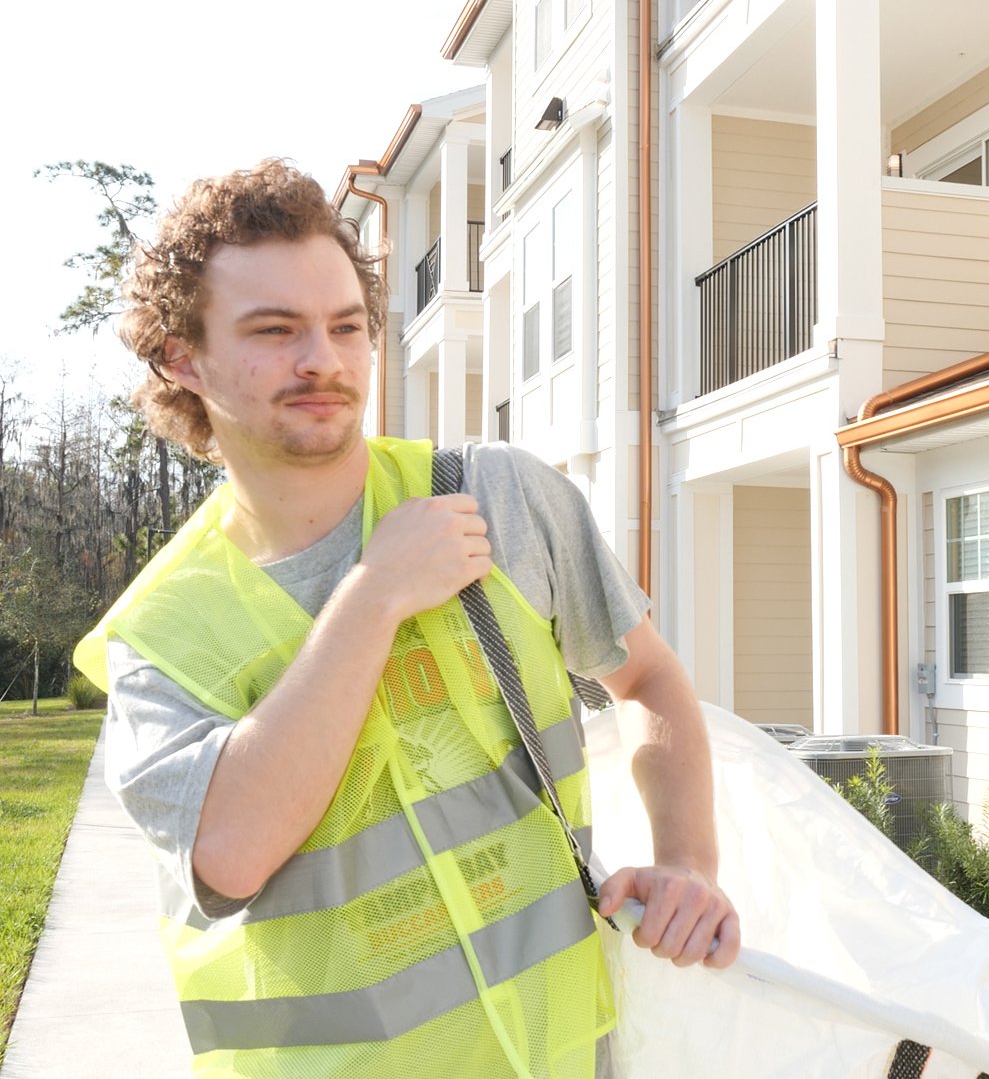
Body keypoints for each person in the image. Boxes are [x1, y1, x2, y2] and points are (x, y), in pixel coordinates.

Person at [73, 159, 738, 1079]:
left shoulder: (497, 495)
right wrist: (375, 593)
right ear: (180, 360)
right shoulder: (163, 631)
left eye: (346, 326)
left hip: (558, 1057)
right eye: (275, 331)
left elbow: (647, 678)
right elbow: (230, 854)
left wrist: (689, 863)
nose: (324, 360)